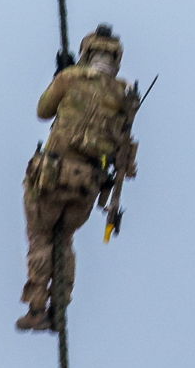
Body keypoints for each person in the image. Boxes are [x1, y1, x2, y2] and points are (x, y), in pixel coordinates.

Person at [17, 27, 137, 332]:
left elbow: (43, 111)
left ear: (86, 52)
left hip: (51, 178)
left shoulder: (70, 79)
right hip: (88, 187)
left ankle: (36, 308)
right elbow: (124, 149)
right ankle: (60, 307)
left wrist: (63, 74)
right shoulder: (124, 96)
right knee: (65, 241)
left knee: (41, 238)